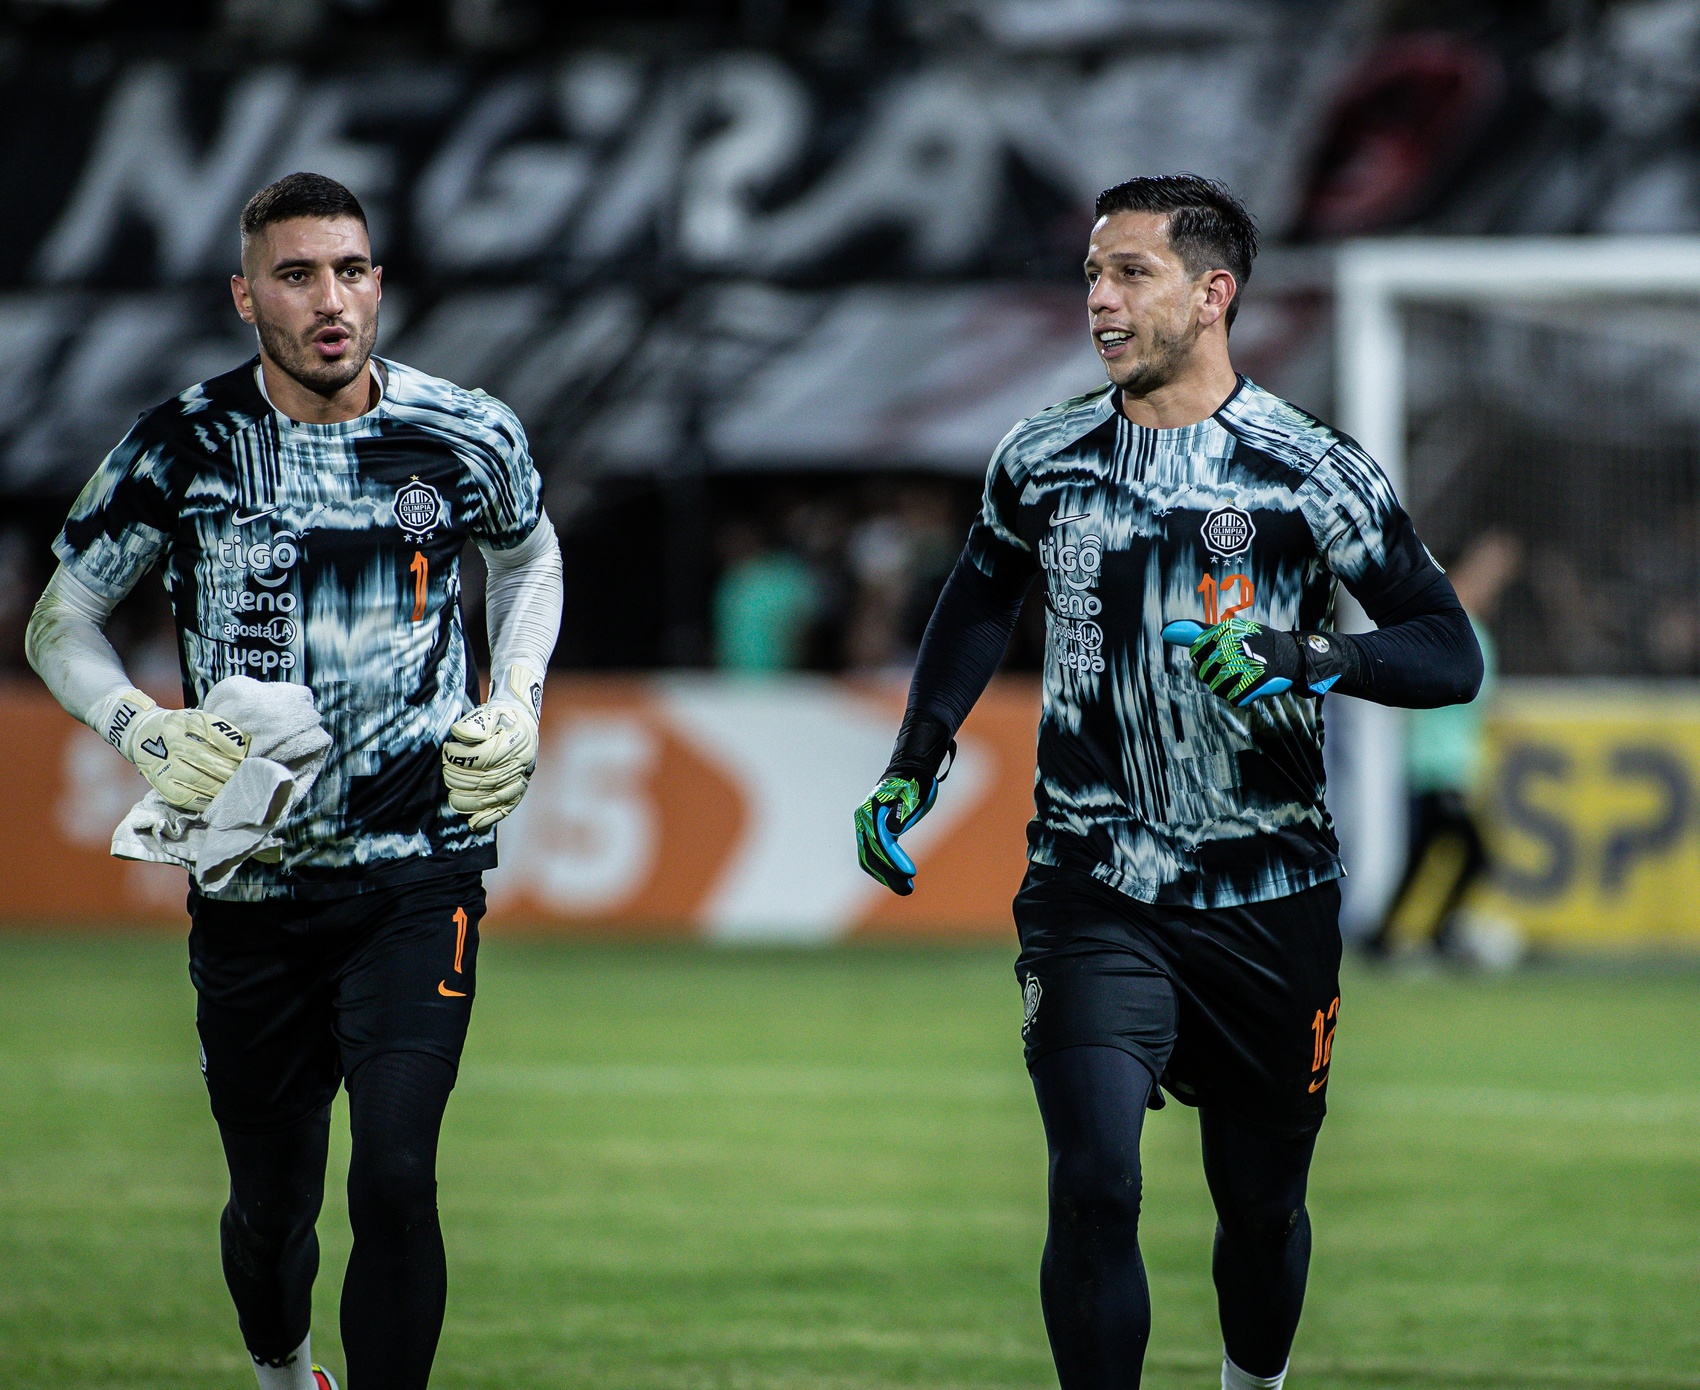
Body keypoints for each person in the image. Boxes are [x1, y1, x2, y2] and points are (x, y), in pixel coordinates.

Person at [853, 175, 1480, 1390]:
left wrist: (1309, 656)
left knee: (1260, 1209)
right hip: (1090, 883)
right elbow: (978, 596)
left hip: (1267, 893)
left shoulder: (1310, 469)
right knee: (1092, 1183)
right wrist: (914, 757)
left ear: (1211, 294)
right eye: (1091, 272)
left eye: (1129, 271)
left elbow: (1446, 650)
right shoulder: (1040, 456)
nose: (1098, 297)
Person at [25, 173, 563, 1390]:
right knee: (271, 1210)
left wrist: (517, 699)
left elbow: (528, 559)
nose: (331, 299)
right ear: (244, 295)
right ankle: (283, 1371)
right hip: (252, 885)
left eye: (351, 270)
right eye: (297, 274)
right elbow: (62, 620)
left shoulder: (464, 430)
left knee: (398, 1175)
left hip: (416, 873)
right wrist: (140, 729)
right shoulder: (182, 443)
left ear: (379, 282)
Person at [1367, 529, 1520, 959]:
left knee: (1426, 855)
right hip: (1436, 767)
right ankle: (1430, 936)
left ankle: (1389, 939)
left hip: (1454, 767)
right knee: (1473, 855)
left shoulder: (1476, 633)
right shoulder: (1447, 630)